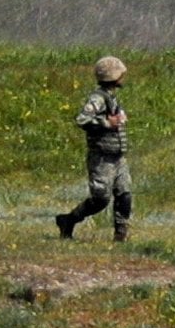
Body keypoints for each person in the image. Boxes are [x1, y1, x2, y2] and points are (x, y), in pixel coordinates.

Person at [56, 55, 133, 242]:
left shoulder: (111, 97)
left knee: (125, 195)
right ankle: (69, 220)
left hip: (117, 157)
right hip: (102, 158)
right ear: (113, 76)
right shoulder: (98, 98)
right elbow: (82, 119)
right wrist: (107, 122)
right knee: (101, 199)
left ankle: (120, 236)